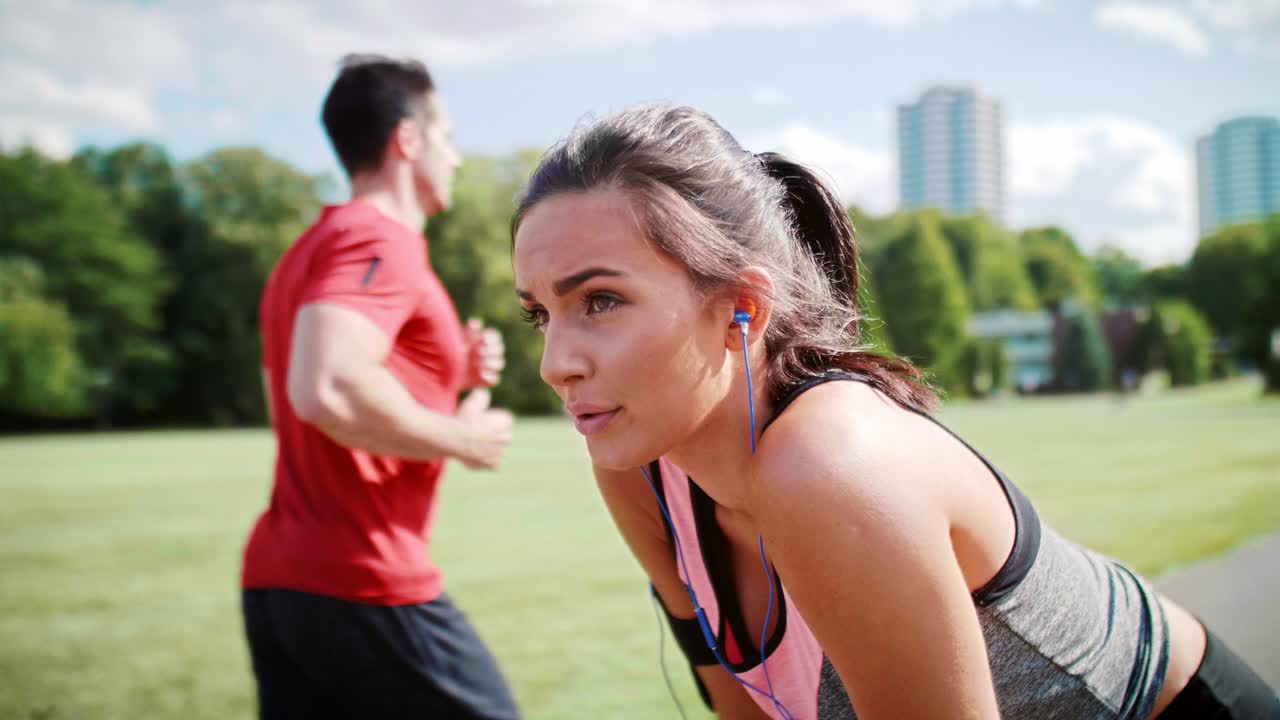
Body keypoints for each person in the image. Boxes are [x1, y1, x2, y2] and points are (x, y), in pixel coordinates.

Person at [510, 104, 1278, 719]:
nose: (556, 364)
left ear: (742, 305)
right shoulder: (638, 466)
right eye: (541, 314)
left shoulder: (829, 466)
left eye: (600, 301)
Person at [241, 55, 520, 720]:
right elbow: (329, 388)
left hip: (280, 580)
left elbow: (330, 376)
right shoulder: (378, 239)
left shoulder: (314, 245)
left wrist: (456, 370)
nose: (454, 156)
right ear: (408, 139)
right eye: (447, 136)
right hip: (359, 577)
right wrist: (465, 438)